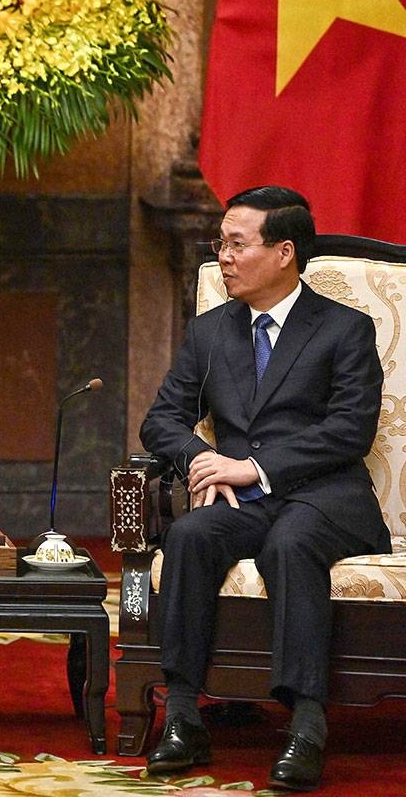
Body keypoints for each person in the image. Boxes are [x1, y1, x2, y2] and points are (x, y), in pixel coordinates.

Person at [139, 185, 391, 792]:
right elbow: (162, 420)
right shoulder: (210, 331)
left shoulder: (344, 328)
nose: (222, 256)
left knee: (291, 542)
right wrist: (202, 458)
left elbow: (349, 430)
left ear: (283, 251)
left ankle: (306, 725)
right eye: (220, 244)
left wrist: (252, 467)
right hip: (241, 501)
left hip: (326, 496)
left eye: (236, 244)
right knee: (192, 534)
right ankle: (181, 716)